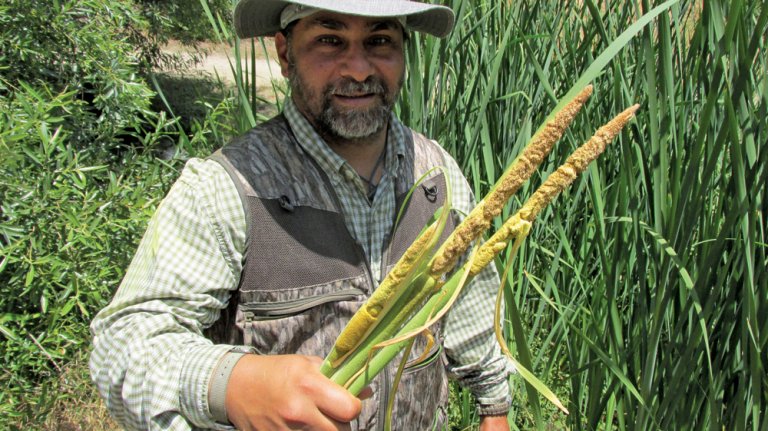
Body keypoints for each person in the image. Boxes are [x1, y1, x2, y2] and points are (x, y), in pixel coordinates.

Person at [89, 0, 514, 429]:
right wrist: (232, 383)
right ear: (285, 54)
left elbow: (467, 297)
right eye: (329, 41)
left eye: (380, 40)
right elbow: (125, 344)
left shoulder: (435, 174)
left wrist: (495, 407)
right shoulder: (229, 187)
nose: (359, 69)